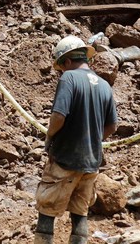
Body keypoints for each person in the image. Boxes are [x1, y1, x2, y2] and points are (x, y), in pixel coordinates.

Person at [33, 36, 117, 244]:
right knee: (80, 212)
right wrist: (94, 140)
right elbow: (112, 126)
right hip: (90, 163)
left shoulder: (68, 79)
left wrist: (50, 136)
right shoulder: (105, 86)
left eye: (61, 67)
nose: (61, 71)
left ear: (68, 61)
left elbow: (59, 116)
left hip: (65, 158)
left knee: (47, 208)